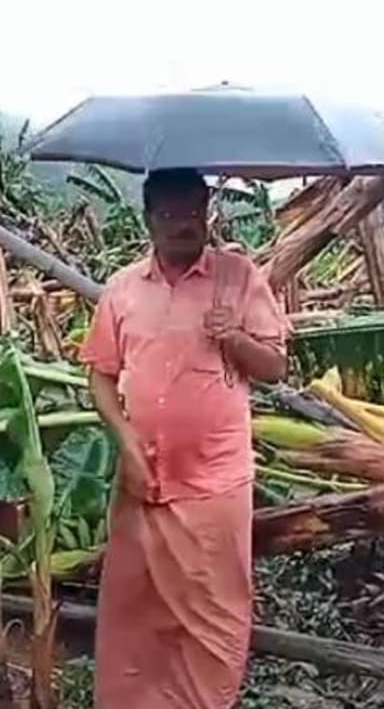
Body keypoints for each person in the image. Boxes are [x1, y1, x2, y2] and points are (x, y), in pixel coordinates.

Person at [79, 168, 290, 708]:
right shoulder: (123, 289)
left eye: (193, 212)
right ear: (148, 219)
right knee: (136, 610)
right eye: (170, 215)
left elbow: (274, 367)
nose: (183, 225)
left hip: (214, 481)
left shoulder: (238, 277)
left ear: (207, 213)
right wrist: (125, 442)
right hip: (142, 481)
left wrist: (234, 337)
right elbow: (100, 374)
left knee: (213, 614)